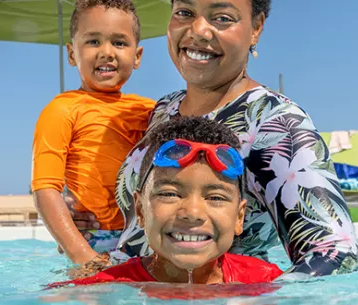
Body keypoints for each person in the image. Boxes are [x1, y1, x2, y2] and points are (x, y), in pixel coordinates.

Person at [68, 0, 358, 278]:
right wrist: (91, 227)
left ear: (256, 28)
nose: (198, 30)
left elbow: (336, 254)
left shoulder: (275, 124)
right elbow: (141, 235)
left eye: (222, 18)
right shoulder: (164, 110)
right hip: (133, 301)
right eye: (184, 12)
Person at [47, 116, 283, 286]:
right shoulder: (103, 289)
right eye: (170, 194)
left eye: (215, 197)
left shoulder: (266, 281)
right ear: (139, 209)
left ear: (239, 217)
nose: (192, 212)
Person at [31, 0, 155, 266]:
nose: (107, 52)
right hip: (93, 240)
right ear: (72, 53)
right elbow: (44, 189)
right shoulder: (62, 110)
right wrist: (80, 254)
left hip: (147, 237)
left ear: (137, 55)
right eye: (93, 41)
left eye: (120, 43)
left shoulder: (152, 111)